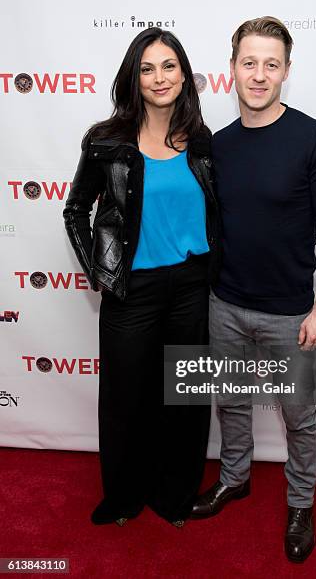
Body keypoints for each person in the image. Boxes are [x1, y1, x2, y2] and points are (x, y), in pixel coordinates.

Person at [190, 17, 316, 562]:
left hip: (290, 313)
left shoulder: (314, 137)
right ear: (232, 68)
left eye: (271, 64)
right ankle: (235, 479)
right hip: (226, 304)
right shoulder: (218, 145)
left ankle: (301, 501)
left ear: (286, 70)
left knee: (299, 416)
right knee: (230, 402)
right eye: (249, 62)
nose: (259, 75)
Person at [63, 27, 220, 527]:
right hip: (133, 291)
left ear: (184, 74)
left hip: (193, 287)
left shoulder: (201, 142)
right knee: (126, 401)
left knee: (185, 401)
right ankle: (124, 497)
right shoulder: (106, 141)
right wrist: (100, 273)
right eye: (147, 68)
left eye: (169, 66)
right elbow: (74, 212)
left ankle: (174, 495)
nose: (159, 77)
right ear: (133, 77)